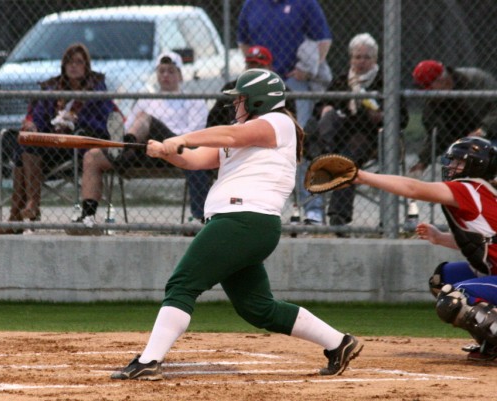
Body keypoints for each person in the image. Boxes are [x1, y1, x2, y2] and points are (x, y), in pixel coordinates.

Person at [110, 69, 363, 381]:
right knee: (258, 308)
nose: (236, 105)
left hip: (242, 220)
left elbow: (229, 136)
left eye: (241, 99)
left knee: (183, 284)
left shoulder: (277, 123)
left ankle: (149, 361)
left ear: (259, 101)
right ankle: (339, 343)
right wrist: (166, 152)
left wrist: (183, 138)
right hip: (246, 226)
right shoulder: (242, 131)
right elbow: (195, 159)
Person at [355, 136, 497, 361]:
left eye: (459, 162)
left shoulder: (468, 189)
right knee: (443, 278)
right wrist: (440, 238)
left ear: (477, 165)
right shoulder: (480, 192)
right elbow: (485, 240)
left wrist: (361, 176)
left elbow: (413, 188)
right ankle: (491, 344)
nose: (451, 167)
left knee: (457, 297)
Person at [69, 52, 210, 228]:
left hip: (174, 151)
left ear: (180, 75)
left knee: (146, 120)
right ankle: (87, 217)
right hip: (142, 151)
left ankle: (127, 144)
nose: (165, 75)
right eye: (162, 71)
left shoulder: (193, 101)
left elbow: (194, 135)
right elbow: (129, 127)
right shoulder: (146, 99)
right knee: (91, 157)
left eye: (171, 71)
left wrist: (162, 135)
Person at [0, 43, 114, 235]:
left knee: (24, 151)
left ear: (86, 66)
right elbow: (39, 116)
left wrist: (77, 120)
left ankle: (17, 217)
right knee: (25, 143)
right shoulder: (53, 88)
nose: (73, 66)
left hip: (79, 146)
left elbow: (102, 122)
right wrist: (33, 126)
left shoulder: (96, 88)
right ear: (64, 65)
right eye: (69, 62)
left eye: (79, 62)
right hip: (52, 145)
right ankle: (29, 206)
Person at [314, 33, 409, 232]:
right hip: (339, 133)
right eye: (357, 57)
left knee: (347, 159)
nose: (361, 62)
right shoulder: (341, 81)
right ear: (351, 58)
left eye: (366, 57)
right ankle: (326, 153)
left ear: (375, 59)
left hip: (370, 135)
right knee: (328, 119)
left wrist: (383, 115)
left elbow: (403, 118)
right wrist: (325, 108)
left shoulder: (385, 82)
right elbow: (319, 107)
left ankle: (338, 217)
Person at [236, 0, 332, 127]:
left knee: (298, 127)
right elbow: (243, 41)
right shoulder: (251, 4)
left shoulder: (306, 3)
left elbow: (324, 40)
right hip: (260, 82)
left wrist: (307, 70)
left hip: (294, 80)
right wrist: (255, 67)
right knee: (260, 125)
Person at [409, 60, 497, 177]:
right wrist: (423, 161)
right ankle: (460, 193)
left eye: (430, 89)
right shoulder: (432, 105)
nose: (428, 95)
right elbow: (435, 136)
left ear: (442, 81)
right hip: (462, 145)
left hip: (491, 135)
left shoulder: (476, 79)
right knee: (449, 159)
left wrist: (482, 131)